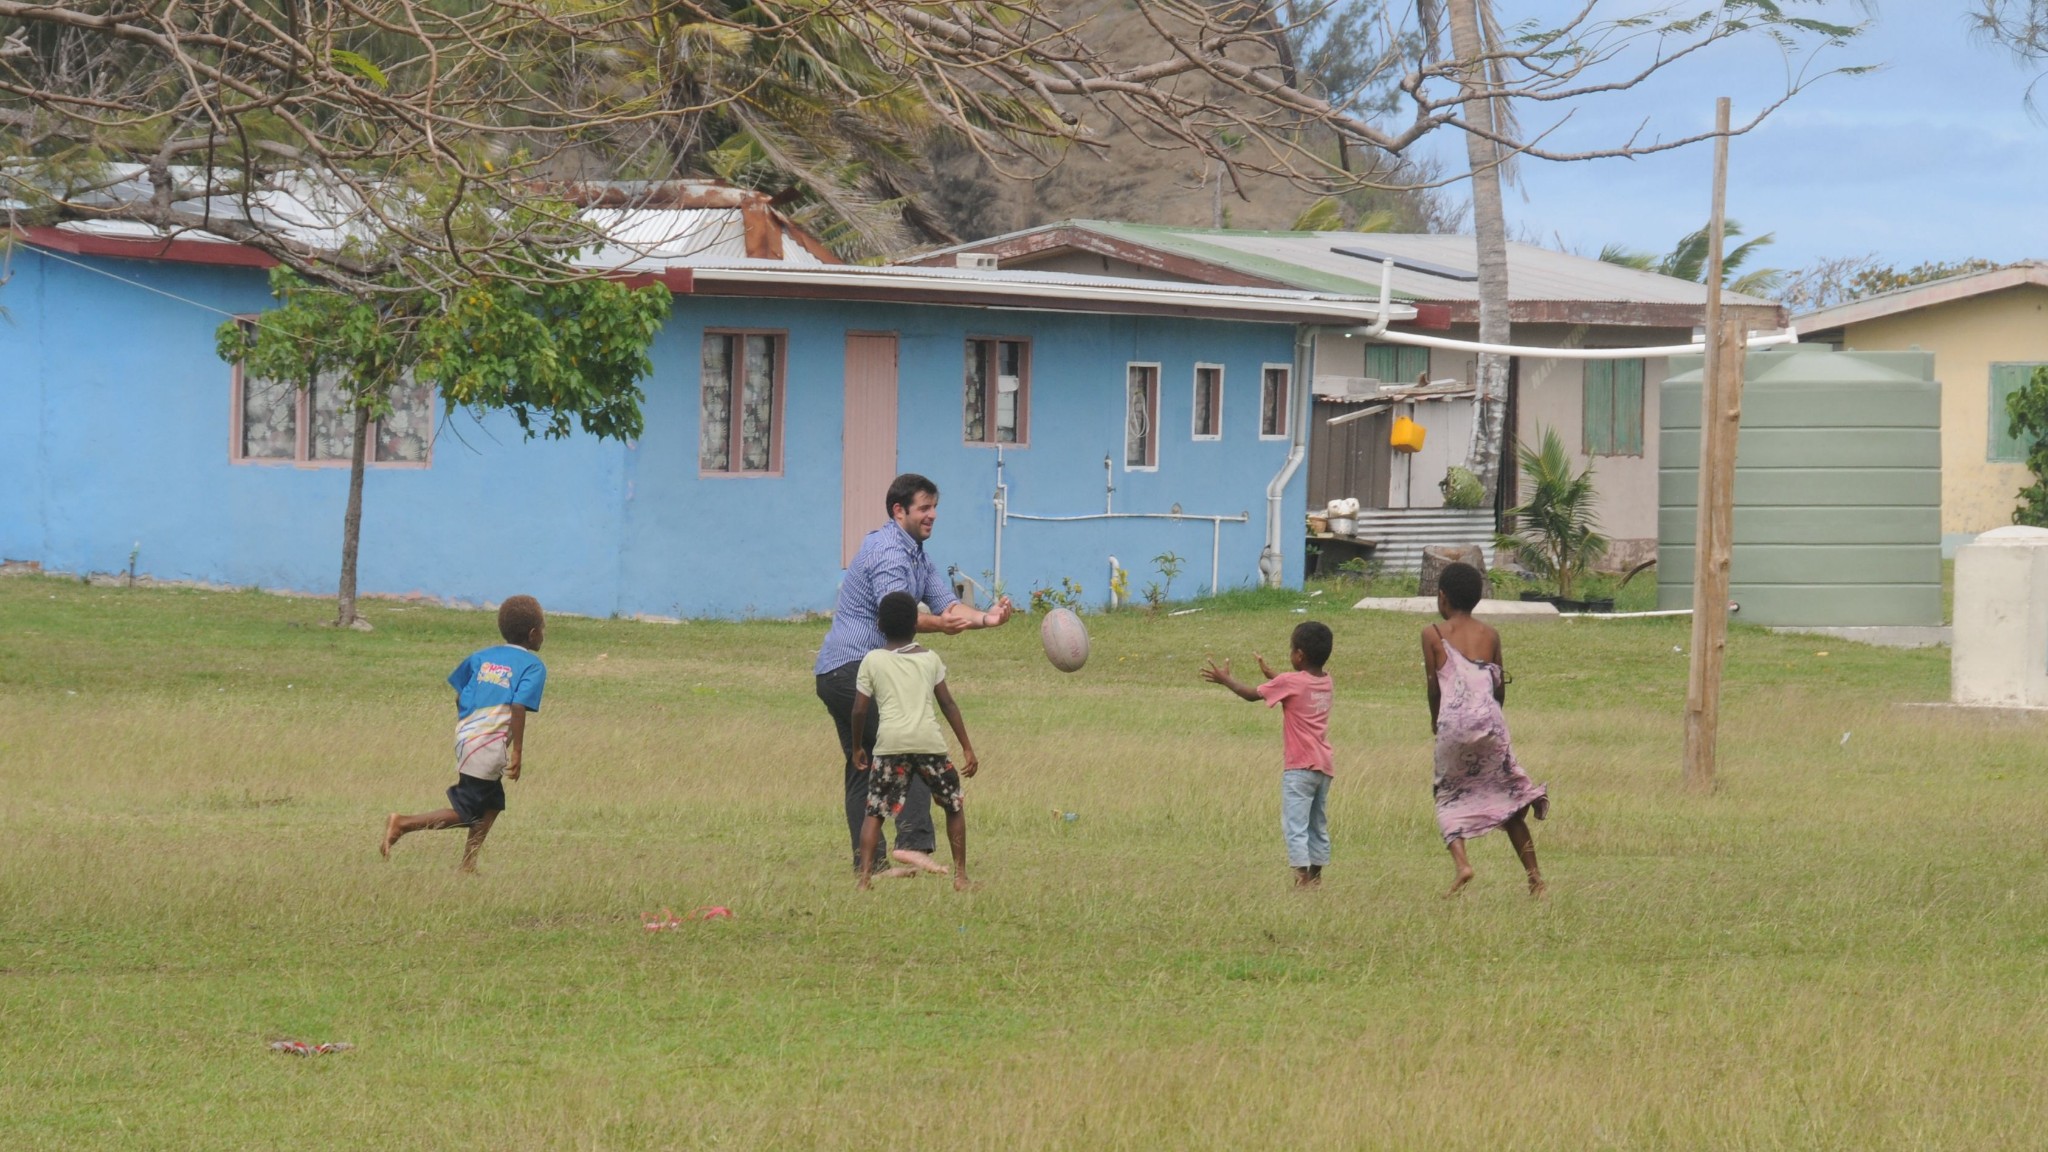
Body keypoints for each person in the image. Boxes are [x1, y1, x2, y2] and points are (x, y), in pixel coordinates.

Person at [815, 473, 1012, 876]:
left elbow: (946, 604)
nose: (932, 515)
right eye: (924, 508)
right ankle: (913, 842)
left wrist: (987, 619)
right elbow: (897, 616)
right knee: (912, 742)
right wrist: (939, 625)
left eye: (934, 507)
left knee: (863, 767)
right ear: (899, 510)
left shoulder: (917, 555)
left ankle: (869, 866)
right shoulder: (888, 551)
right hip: (851, 667)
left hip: (839, 672)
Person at [382, 596, 547, 872]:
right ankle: (402, 824)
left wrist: (471, 727)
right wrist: (517, 751)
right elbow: (518, 706)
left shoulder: (482, 656)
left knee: (492, 802)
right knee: (466, 812)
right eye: (543, 628)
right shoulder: (533, 666)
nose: (544, 634)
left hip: (468, 736)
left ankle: (468, 864)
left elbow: (460, 695)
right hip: (488, 744)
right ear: (533, 634)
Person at [1420, 562, 1548, 897]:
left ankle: (1462, 864)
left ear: (1442, 597)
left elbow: (1434, 686)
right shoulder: (1490, 634)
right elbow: (1498, 686)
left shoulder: (1432, 633)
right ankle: (1535, 877)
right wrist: (1493, 722)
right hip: (1490, 722)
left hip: (1453, 726)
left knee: (1447, 795)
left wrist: (1436, 721)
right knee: (1507, 803)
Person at [851, 592, 979, 891]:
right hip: (929, 743)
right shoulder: (929, 659)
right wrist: (967, 747)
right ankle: (960, 877)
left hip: (890, 745)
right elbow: (948, 704)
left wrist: (858, 746)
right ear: (915, 624)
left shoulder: (872, 660)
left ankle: (865, 880)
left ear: (879, 624)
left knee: (874, 813)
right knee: (953, 806)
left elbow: (859, 709)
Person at [1201, 621, 1336, 888]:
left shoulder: (1289, 681)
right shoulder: (1327, 681)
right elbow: (1296, 686)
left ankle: (1301, 879)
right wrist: (1272, 675)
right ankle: (1316, 878)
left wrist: (1225, 679)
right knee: (1316, 824)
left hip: (1299, 769)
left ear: (1299, 655)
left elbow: (1252, 696)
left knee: (1295, 826)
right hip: (1323, 767)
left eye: (1291, 650)